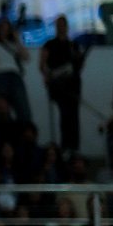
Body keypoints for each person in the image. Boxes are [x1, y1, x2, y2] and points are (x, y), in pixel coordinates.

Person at [40, 15, 83, 153]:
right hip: (58, 85)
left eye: (63, 25)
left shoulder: (73, 45)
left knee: (73, 116)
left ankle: (74, 148)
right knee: (65, 115)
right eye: (59, 25)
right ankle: (65, 147)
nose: (61, 28)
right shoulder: (49, 44)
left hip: (72, 85)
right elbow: (42, 65)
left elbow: (78, 65)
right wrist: (48, 76)